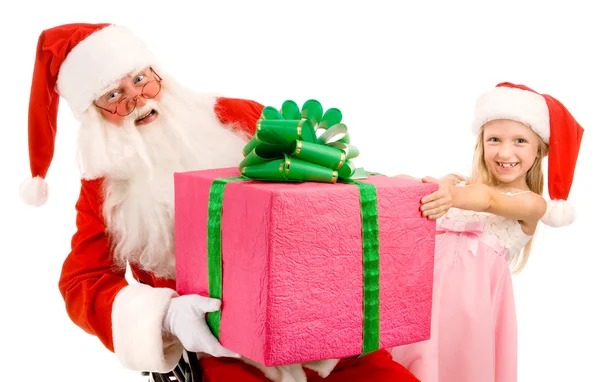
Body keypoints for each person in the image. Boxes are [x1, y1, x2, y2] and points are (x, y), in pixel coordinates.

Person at [20, 22, 428, 382]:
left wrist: (396, 192)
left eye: (142, 79)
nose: (139, 100)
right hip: (225, 352)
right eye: (114, 94)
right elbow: (81, 282)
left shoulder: (238, 116)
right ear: (94, 112)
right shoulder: (105, 186)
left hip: (331, 333)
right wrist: (167, 316)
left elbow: (329, 183)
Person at [391, 82, 584, 382]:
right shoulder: (456, 183)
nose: (505, 151)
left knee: (457, 369)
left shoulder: (531, 204)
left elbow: (489, 199)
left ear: (539, 150)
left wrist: (449, 195)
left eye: (520, 141)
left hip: (467, 317)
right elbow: (416, 188)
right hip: (418, 301)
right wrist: (422, 185)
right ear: (481, 142)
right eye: (495, 139)